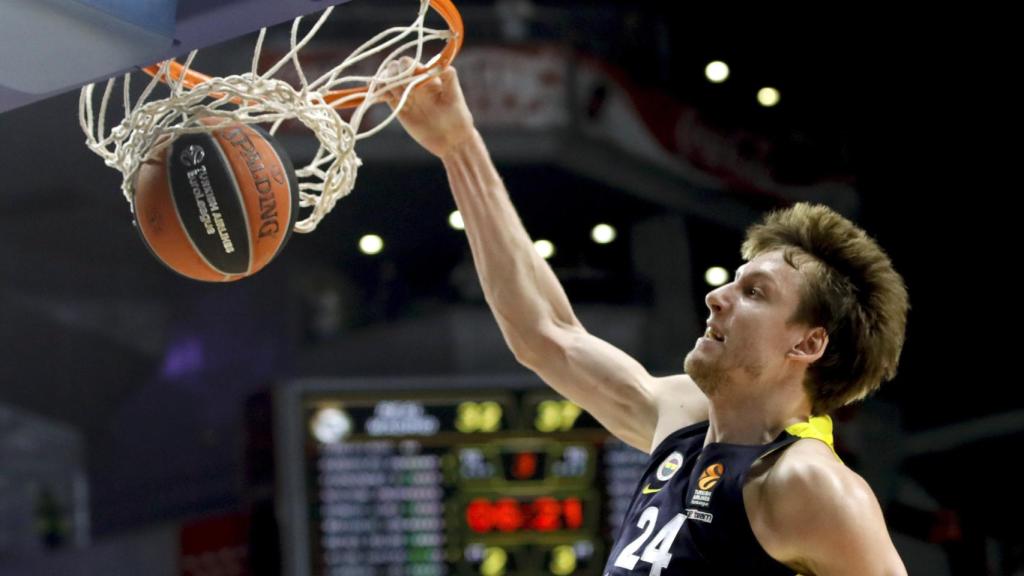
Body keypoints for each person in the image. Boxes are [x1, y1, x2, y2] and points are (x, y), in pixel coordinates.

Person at [386, 60, 910, 575]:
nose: (717, 296)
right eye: (733, 279)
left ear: (808, 344)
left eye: (755, 292)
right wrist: (458, 146)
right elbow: (546, 335)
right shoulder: (684, 418)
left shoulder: (807, 485)